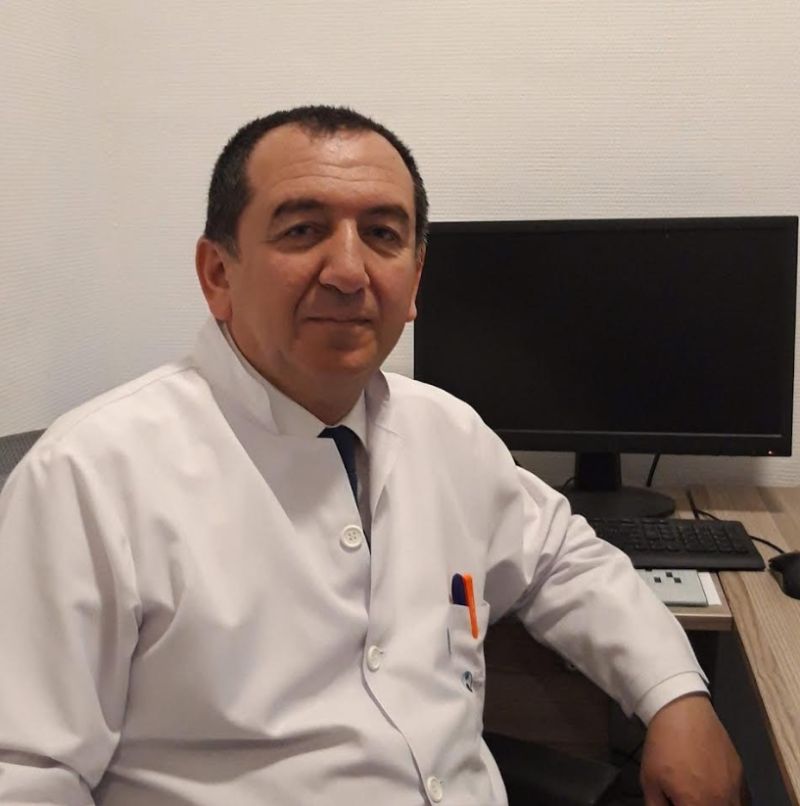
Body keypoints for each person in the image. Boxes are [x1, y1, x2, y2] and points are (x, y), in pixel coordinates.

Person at [0, 105, 745, 805]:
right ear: (218, 274)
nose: (349, 272)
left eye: (384, 235)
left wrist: (675, 695)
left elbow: (564, 561)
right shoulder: (89, 475)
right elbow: (28, 772)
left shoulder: (445, 431)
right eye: (302, 230)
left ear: (414, 280)